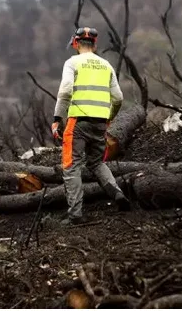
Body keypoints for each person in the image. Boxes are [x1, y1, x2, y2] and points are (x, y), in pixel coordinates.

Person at [52, 27, 131, 225]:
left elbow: (65, 92)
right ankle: (117, 194)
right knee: (96, 163)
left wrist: (57, 119)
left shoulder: (72, 62)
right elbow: (119, 98)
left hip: (78, 122)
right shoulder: (106, 65)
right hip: (100, 124)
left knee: (71, 167)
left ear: (76, 44)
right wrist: (109, 117)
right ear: (95, 45)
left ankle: (76, 215)